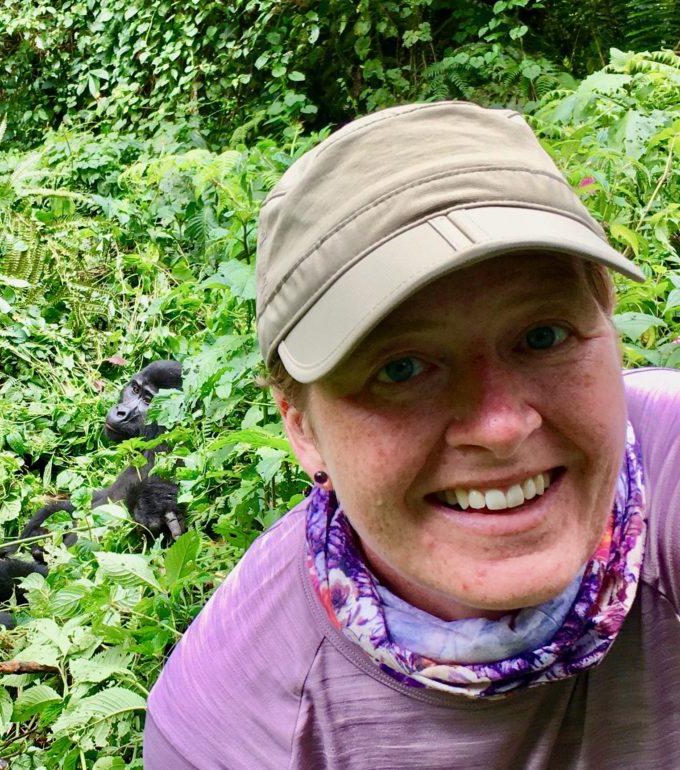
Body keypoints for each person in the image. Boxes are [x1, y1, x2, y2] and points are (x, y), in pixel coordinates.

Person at [143, 101, 680, 768]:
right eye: (400, 370)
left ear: (605, 319)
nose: (501, 426)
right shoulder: (231, 728)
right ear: (301, 428)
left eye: (542, 336)